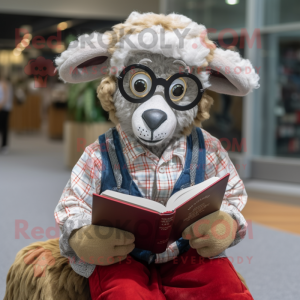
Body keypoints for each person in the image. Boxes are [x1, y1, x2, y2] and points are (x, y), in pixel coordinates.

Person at [0, 74, 13, 154]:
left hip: (4, 109)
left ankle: (4, 145)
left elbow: (6, 97)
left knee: (4, 127)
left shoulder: (4, 84)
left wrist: (1, 106)